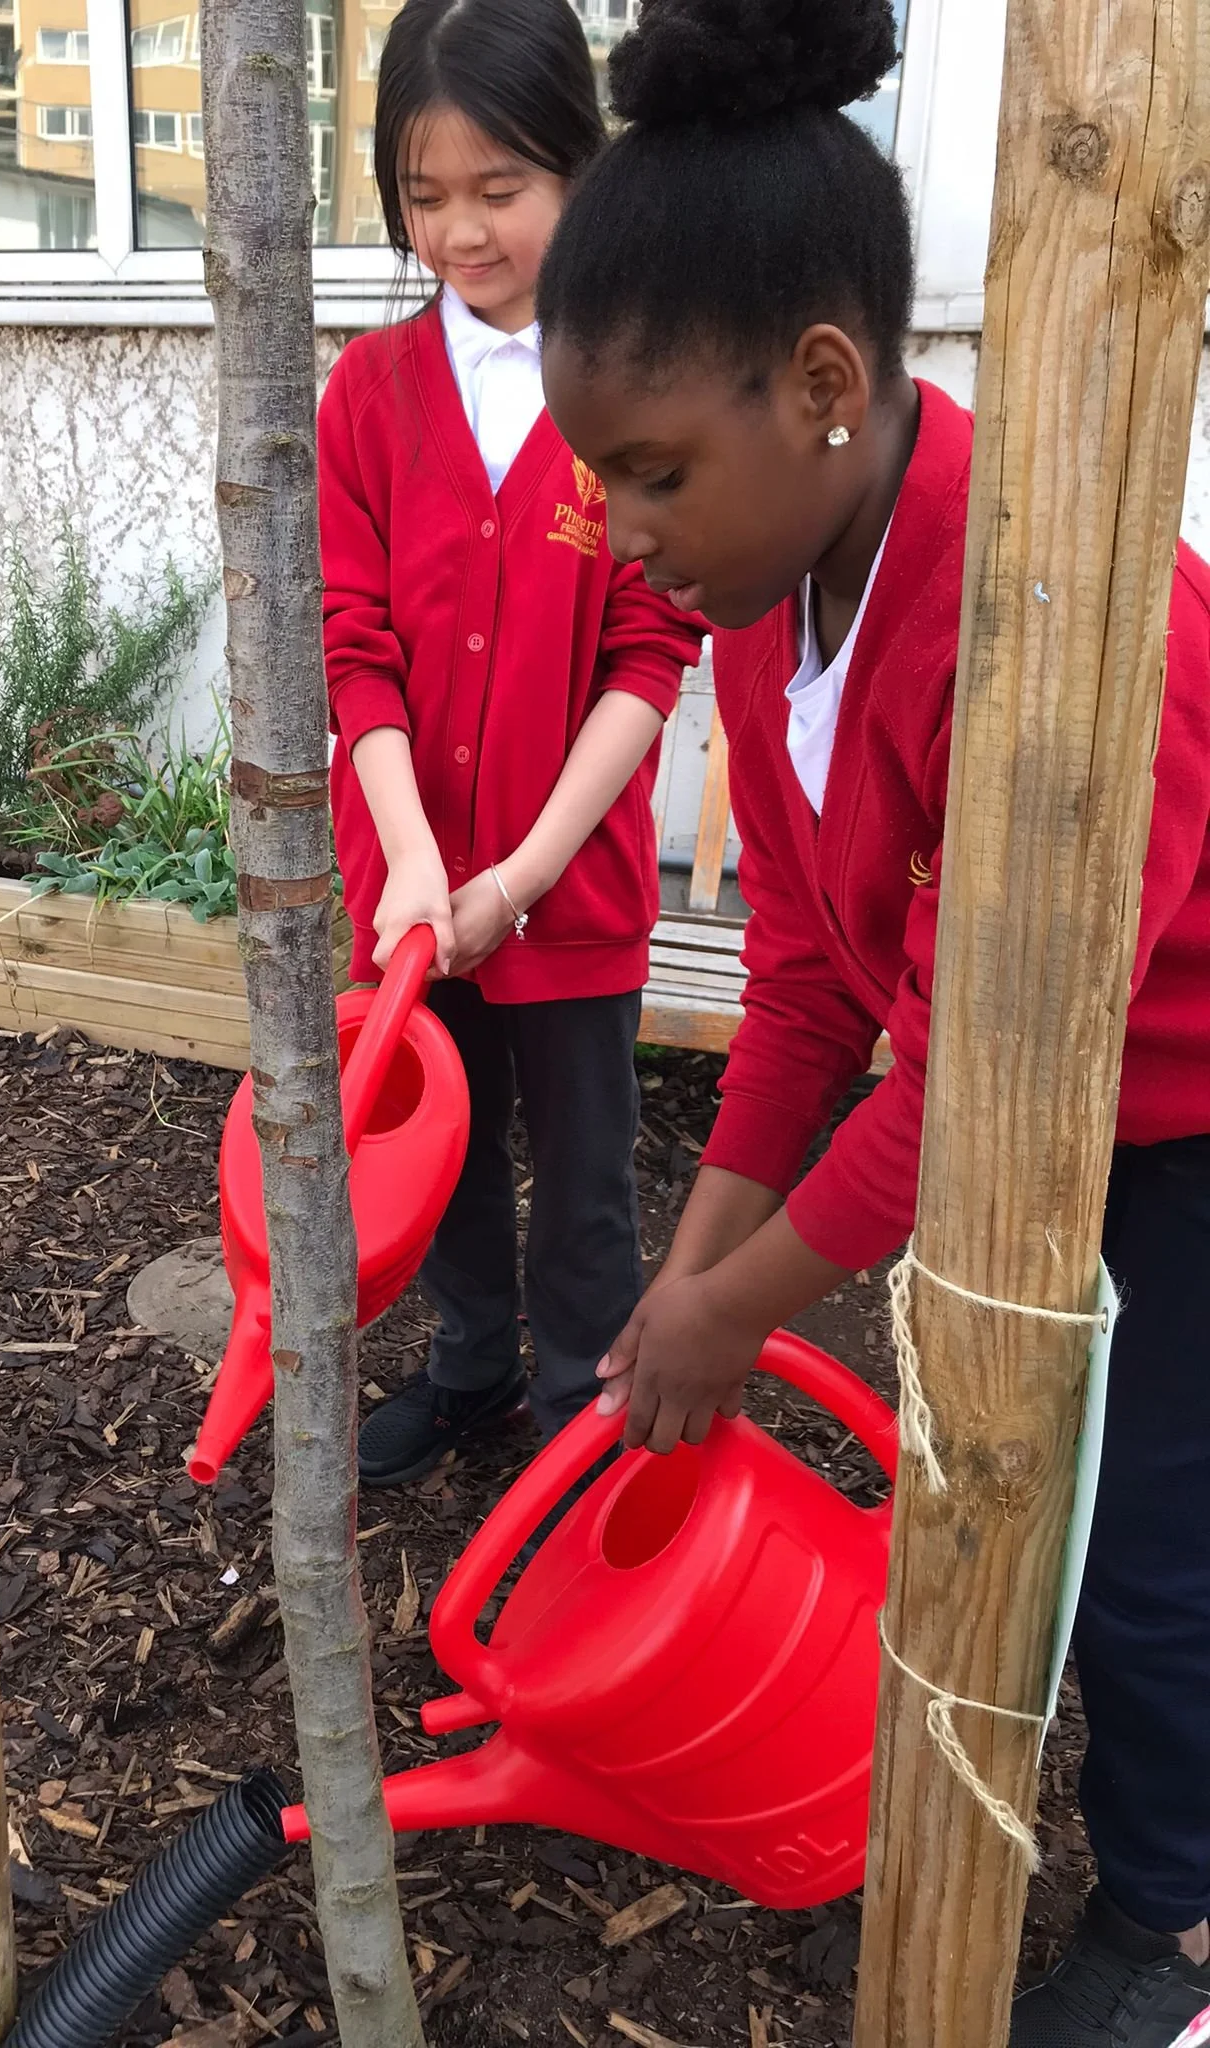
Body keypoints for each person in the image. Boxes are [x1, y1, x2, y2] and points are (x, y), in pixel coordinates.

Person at [534, 0, 1210, 2041]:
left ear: (822, 381)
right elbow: (819, 989)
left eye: (652, 472)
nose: (623, 530)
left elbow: (986, 1062)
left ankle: (1183, 1923)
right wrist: (695, 1262)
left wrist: (749, 1307)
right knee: (1030, 1494)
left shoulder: (1055, 630)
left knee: (1150, 1520)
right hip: (1028, 1113)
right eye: (598, 481)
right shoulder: (775, 604)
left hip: (1169, 1108)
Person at [319, 0, 702, 1486]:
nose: (461, 233)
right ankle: (472, 1370)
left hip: (575, 892)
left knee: (588, 1186)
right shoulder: (367, 398)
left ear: (578, 173)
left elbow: (648, 656)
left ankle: (572, 1425)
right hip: (413, 896)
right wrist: (421, 868)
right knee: (449, 1164)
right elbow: (355, 654)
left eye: (501, 190)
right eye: (425, 197)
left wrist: (522, 875)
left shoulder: (634, 389)